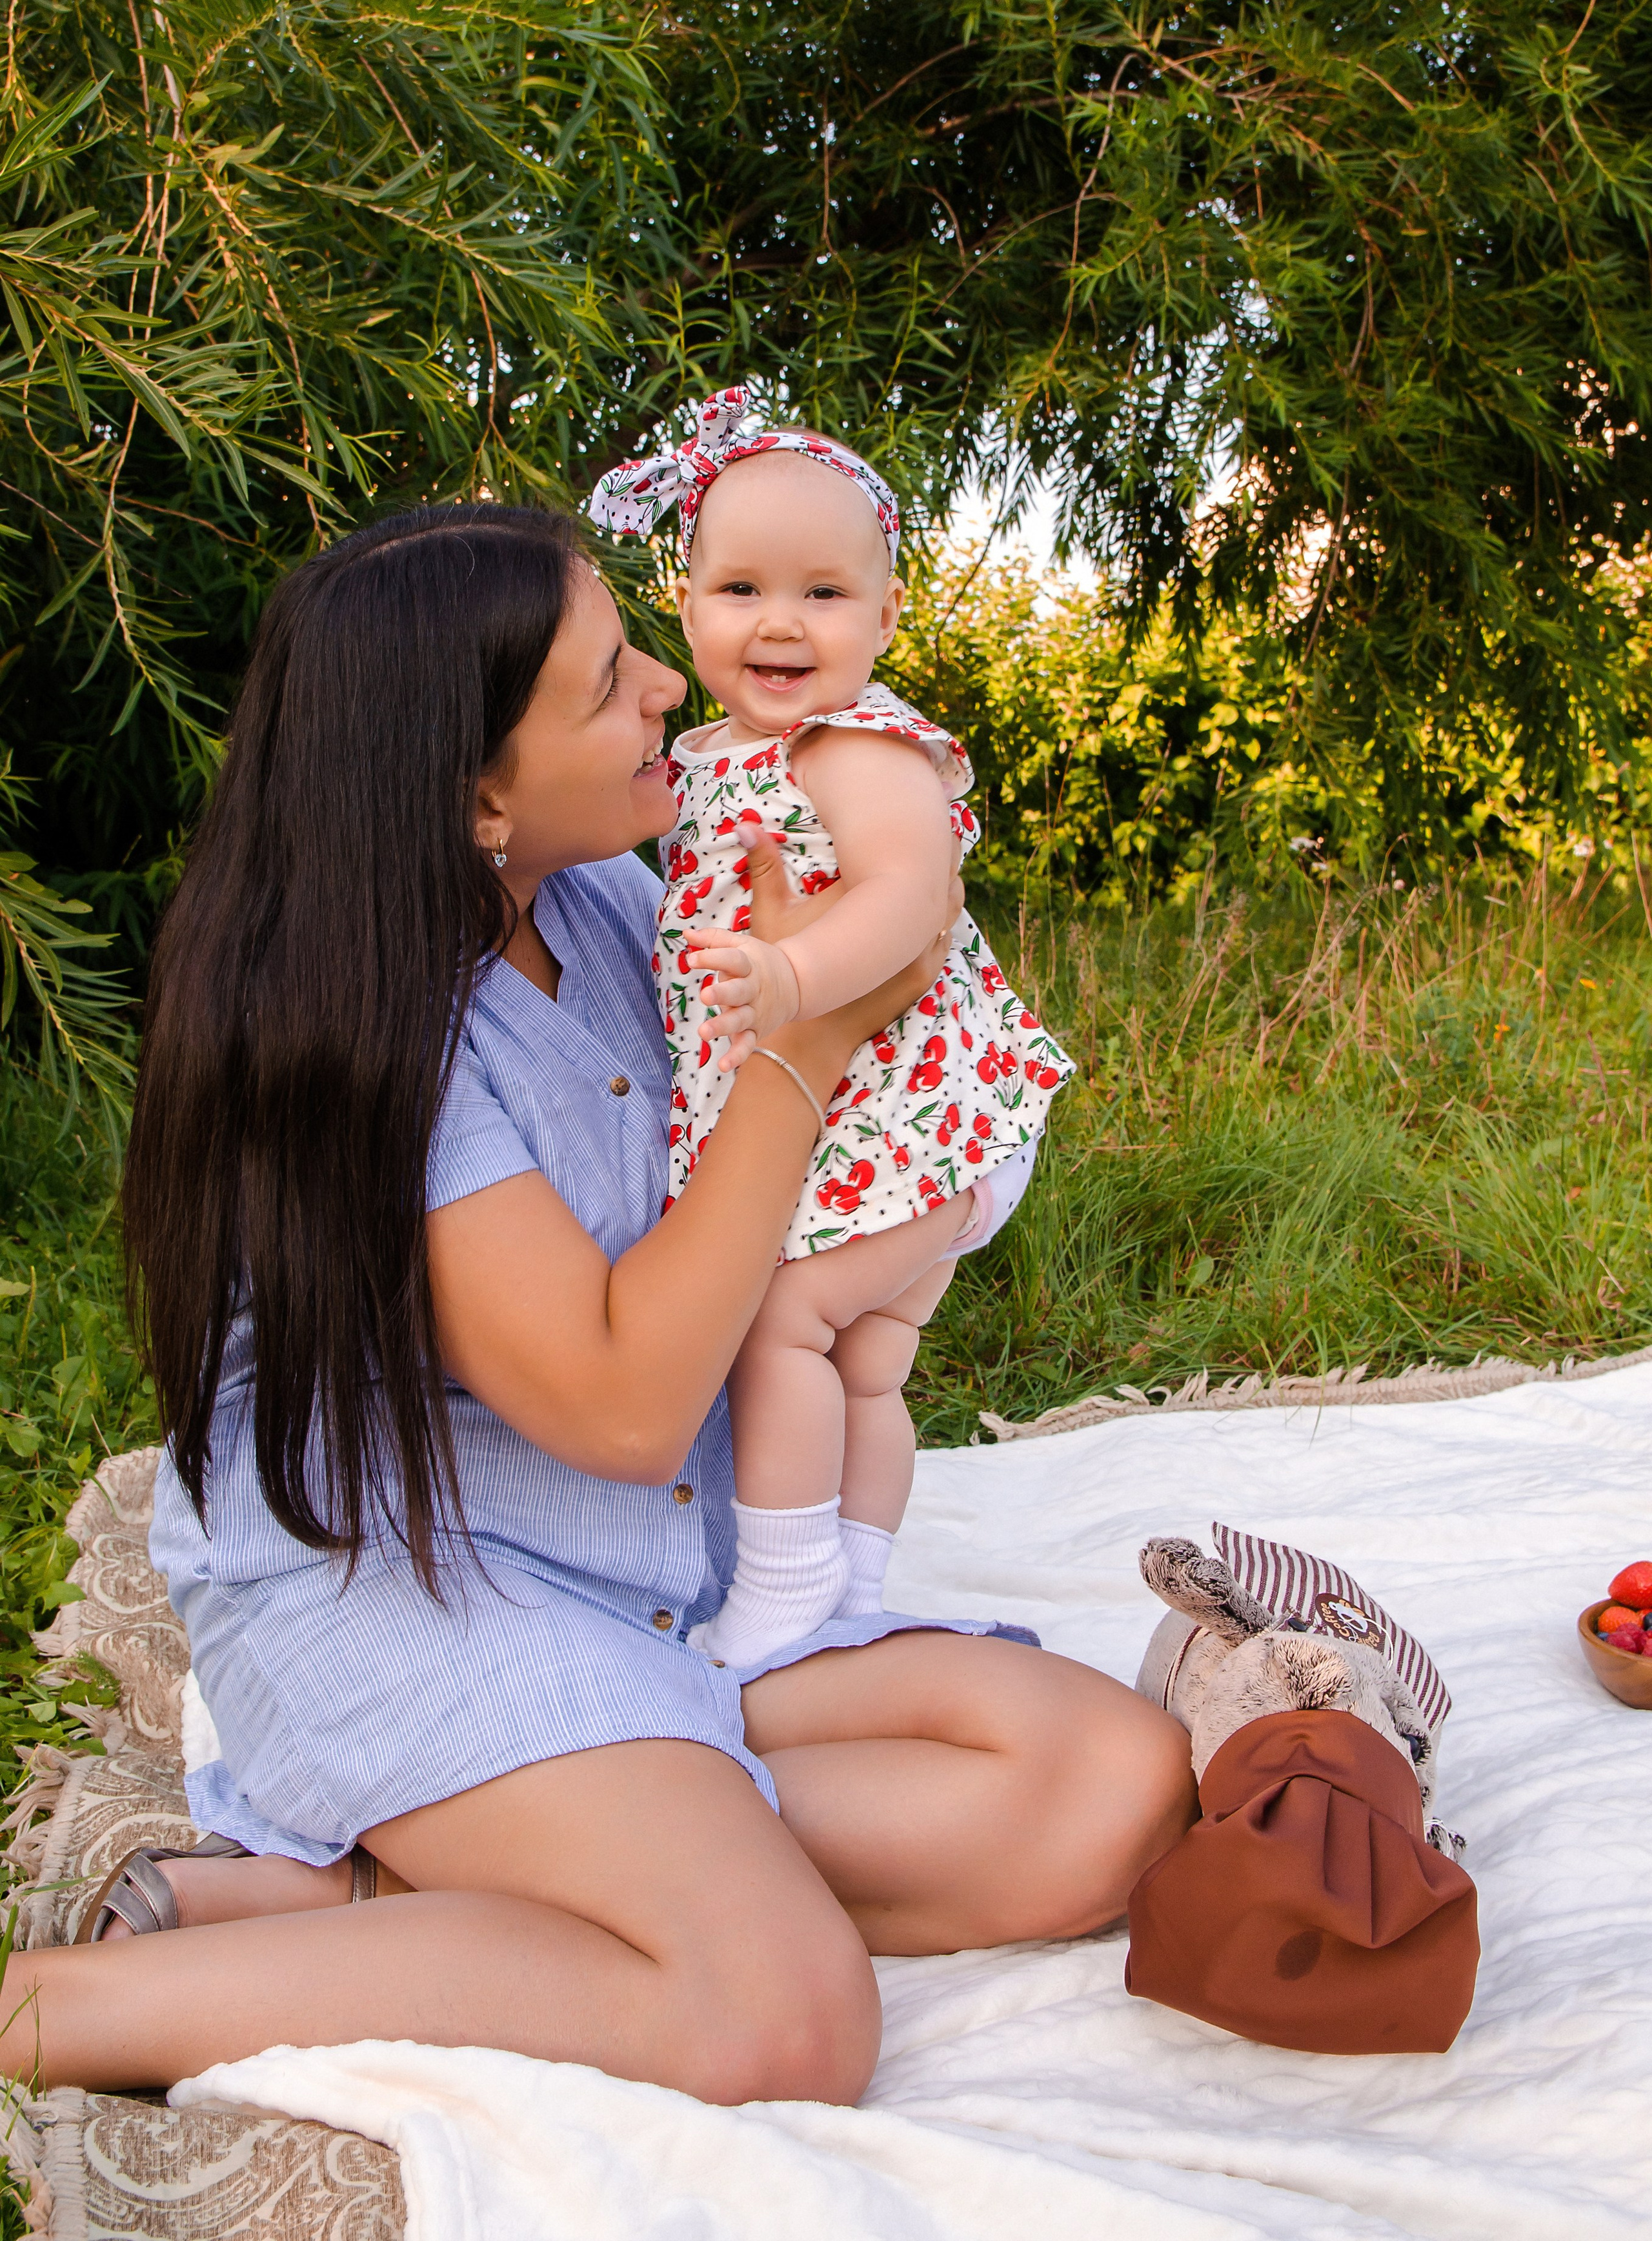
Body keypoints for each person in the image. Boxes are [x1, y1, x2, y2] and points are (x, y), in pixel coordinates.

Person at [0, 501, 1195, 2104]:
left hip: (650, 1573)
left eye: (636, 640)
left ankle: (405, 1895)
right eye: (604, 680)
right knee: (775, 2018)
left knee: (1102, 1793)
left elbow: (872, 1059)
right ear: (477, 791)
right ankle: (48, 2014)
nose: (664, 682)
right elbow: (626, 1407)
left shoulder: (611, 906)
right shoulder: (372, 1040)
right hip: (413, 1575)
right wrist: (802, 1053)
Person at [589, 388, 1073, 1666]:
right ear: (683, 606)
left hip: (918, 1115)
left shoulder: (854, 747)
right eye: (740, 589)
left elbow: (909, 897)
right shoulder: (706, 755)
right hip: (857, 1128)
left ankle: (785, 1588)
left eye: (823, 593)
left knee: (781, 1318)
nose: (781, 624)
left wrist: (798, 975)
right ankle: (855, 1590)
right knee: (864, 1360)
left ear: (885, 616)